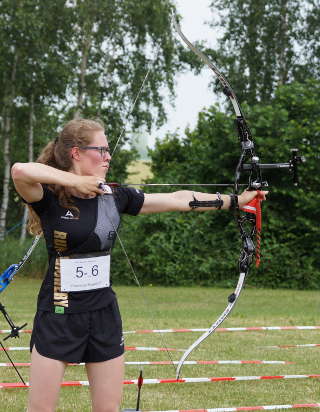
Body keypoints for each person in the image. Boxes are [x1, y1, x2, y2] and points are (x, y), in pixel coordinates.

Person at [11, 118, 267, 412]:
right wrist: (76, 181)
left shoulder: (114, 196)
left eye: (109, 150)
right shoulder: (50, 198)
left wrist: (235, 200)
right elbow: (20, 171)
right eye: (101, 150)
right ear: (76, 153)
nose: (108, 157)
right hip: (59, 315)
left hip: (103, 314)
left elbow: (177, 199)